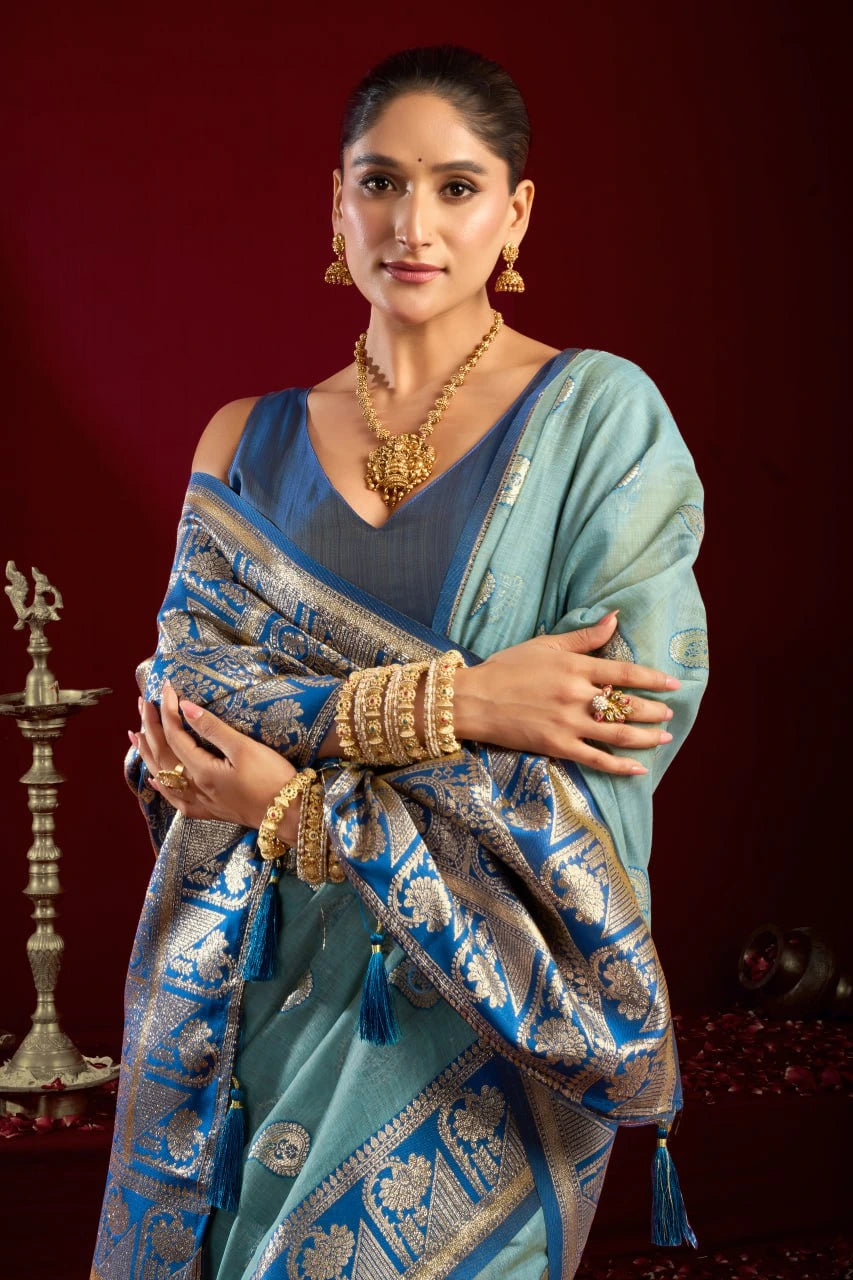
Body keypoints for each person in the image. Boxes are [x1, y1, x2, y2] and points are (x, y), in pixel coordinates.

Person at [92, 45, 707, 1280]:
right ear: (335, 202)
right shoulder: (247, 441)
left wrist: (294, 799)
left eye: (456, 187)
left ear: (515, 211)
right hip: (248, 992)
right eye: (379, 183)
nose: (411, 224)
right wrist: (466, 700)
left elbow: (611, 737)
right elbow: (184, 716)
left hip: (481, 1018)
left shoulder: (597, 420)